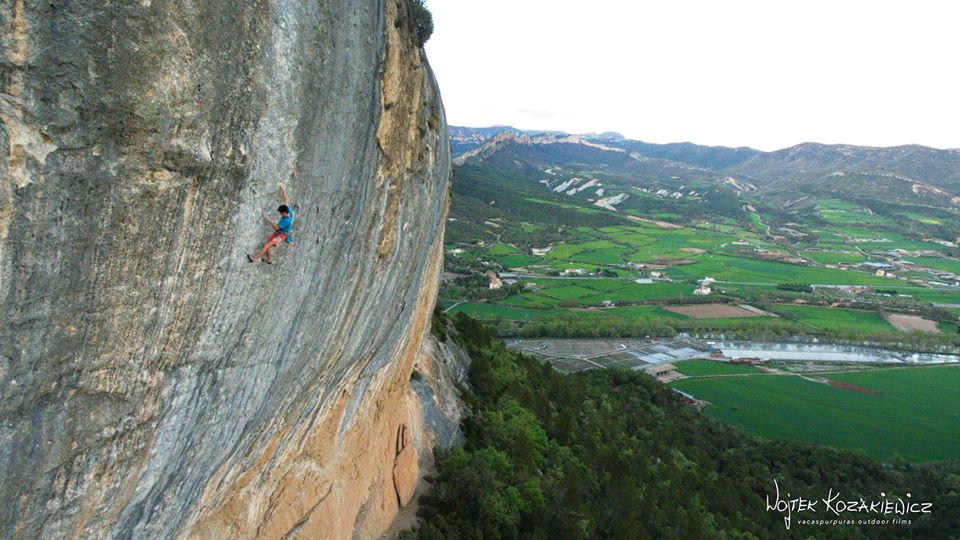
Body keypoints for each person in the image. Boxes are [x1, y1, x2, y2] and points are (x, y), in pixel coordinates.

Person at [248, 184, 293, 264]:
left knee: (266, 245)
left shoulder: (286, 221)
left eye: (281, 214)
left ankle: (254, 258)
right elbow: (286, 200)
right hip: (280, 232)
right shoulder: (288, 211)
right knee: (267, 244)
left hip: (282, 235)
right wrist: (283, 190)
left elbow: (276, 227)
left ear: (285, 213)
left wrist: (267, 218)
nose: (280, 215)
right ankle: (269, 259)